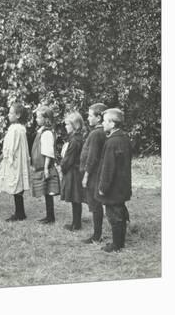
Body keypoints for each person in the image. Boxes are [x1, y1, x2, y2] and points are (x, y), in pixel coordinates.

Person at [95, 108, 132, 252]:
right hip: (122, 185)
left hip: (113, 187)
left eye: (104, 121)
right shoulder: (124, 138)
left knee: (113, 214)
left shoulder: (111, 142)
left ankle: (117, 245)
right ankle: (120, 242)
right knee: (120, 211)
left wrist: (103, 187)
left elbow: (108, 167)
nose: (103, 124)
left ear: (112, 123)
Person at [0, 102, 31, 222]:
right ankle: (19, 211)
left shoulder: (16, 129)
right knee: (17, 184)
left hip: (15, 160)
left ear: (18, 115)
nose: (8, 115)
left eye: (11, 113)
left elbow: (12, 146)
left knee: (16, 183)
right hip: (17, 159)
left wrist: (6, 156)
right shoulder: (18, 128)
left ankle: (20, 213)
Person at [80, 103, 107, 244]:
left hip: (94, 175)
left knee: (95, 205)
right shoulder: (101, 131)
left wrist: (86, 175)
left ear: (99, 117)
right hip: (98, 173)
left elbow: (92, 157)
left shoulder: (96, 133)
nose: (88, 118)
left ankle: (97, 236)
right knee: (97, 204)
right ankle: (97, 233)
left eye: (90, 115)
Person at [30, 105, 60, 224]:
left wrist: (47, 167)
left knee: (48, 191)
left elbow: (48, 152)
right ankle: (49, 215)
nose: (36, 119)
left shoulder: (47, 133)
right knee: (46, 191)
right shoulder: (41, 131)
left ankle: (50, 216)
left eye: (38, 117)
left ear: (46, 119)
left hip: (45, 166)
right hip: (41, 166)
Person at [59, 112, 85, 231]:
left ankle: (76, 224)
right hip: (77, 170)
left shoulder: (74, 140)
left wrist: (62, 167)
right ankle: (76, 222)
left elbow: (68, 158)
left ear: (75, 125)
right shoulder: (79, 138)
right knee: (76, 198)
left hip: (73, 171)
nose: (65, 126)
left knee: (75, 198)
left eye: (67, 124)